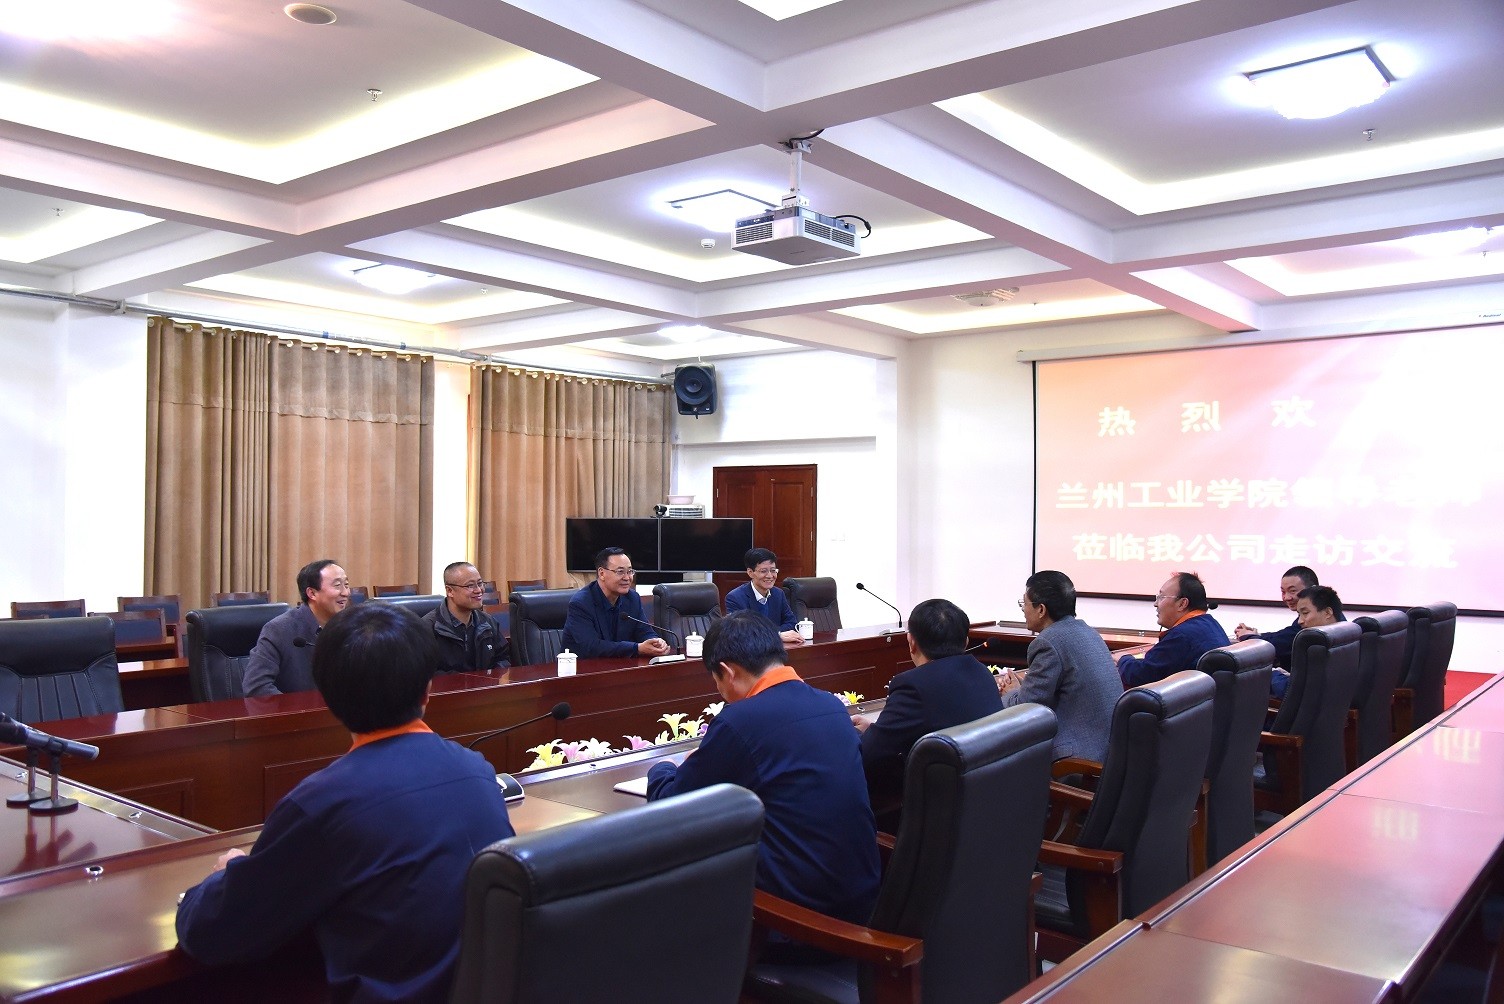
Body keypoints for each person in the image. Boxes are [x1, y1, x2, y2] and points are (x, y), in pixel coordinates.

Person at [176, 603, 515, 1004]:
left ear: (327, 696)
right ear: (428, 691)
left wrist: (225, 875)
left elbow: (213, 932)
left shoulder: (323, 803)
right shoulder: (477, 771)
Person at [647, 611, 880, 933]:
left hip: (799, 922)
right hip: (862, 901)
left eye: (716, 681)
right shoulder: (830, 705)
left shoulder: (741, 720)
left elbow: (673, 808)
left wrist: (662, 768)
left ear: (728, 672)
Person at [854, 598, 1001, 822]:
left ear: (911, 642)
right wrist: (878, 729)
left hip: (938, 817)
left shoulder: (913, 685)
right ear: (966, 641)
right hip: (985, 807)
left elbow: (867, 756)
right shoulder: (982, 673)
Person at [999, 570, 1121, 763]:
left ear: (1041, 610)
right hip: (1108, 751)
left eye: (1025, 603)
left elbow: (1026, 709)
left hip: (1077, 762)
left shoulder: (1047, 642)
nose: (1023, 610)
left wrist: (1010, 692)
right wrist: (1025, 687)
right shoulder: (1088, 632)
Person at [243, 559, 350, 696]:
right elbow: (256, 687)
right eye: (337, 585)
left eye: (346, 585)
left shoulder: (349, 627)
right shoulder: (279, 630)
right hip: (295, 709)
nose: (345, 593)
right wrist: (296, 708)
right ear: (312, 593)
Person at [1117, 571, 1229, 688]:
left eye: (1161, 597)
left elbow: (1141, 676)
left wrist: (1122, 659)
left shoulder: (1182, 636)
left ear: (1182, 604)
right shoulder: (1209, 623)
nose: (1155, 604)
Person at [560, 547, 671, 658]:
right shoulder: (581, 603)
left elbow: (644, 631)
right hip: (585, 666)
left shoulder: (632, 598)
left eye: (630, 571)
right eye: (620, 572)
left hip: (621, 665)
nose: (627, 577)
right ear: (601, 573)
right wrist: (636, 648)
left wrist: (656, 642)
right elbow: (591, 646)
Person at [423, 561, 510, 673]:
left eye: (480, 583)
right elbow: (424, 672)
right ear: (450, 591)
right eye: (470, 586)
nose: (479, 590)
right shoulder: (427, 628)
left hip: (485, 683)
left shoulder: (488, 622)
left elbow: (503, 658)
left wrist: (491, 676)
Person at [1234, 565, 1319, 670]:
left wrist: (1248, 637)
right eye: (1283, 592)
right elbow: (1284, 635)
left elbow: (1278, 644)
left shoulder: (1314, 621)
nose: (1286, 597)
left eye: (1292, 591)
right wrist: (1256, 635)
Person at [1271, 585, 1348, 698]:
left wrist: (1272, 674)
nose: (1300, 621)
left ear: (1327, 612)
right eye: (1299, 614)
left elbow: (1294, 691)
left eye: (1305, 613)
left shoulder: (1319, 647)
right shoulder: (1347, 637)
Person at [724, 547, 804, 645]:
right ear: (750, 573)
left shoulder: (778, 594)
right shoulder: (735, 598)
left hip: (778, 649)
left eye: (773, 570)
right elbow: (740, 634)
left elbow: (791, 623)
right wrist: (777, 635)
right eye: (763, 571)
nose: (770, 576)